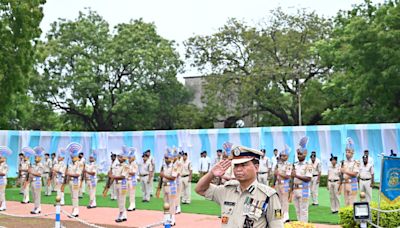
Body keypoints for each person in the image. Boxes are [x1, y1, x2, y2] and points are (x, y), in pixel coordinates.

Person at [195, 144, 284, 227]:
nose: (238, 169)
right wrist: (211, 174)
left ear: (256, 168)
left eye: (244, 165)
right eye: (236, 165)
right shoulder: (227, 190)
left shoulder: (268, 196)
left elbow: (276, 225)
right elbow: (200, 189)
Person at [292, 137, 312, 222]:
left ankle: (304, 226)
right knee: (297, 210)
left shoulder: (308, 165)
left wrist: (296, 175)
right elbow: (291, 178)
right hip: (295, 189)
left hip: (304, 189)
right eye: (298, 154)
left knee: (303, 210)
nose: (299, 156)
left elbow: (308, 178)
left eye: (300, 154)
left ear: (305, 154)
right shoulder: (295, 164)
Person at [111, 147, 130, 223]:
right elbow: (114, 174)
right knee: (119, 200)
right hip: (117, 183)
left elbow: (123, 176)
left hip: (123, 184)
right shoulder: (117, 165)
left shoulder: (126, 166)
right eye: (118, 156)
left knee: (122, 199)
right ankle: (124, 215)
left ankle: (121, 215)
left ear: (124, 158)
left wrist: (113, 177)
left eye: (120, 157)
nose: (118, 158)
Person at [274, 145, 292, 222]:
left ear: (287, 156)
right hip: (278, 183)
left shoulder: (289, 165)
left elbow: (288, 176)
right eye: (282, 156)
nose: (283, 157)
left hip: (285, 184)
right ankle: (278, 217)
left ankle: (285, 217)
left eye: (285, 156)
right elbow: (275, 174)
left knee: (285, 201)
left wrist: (279, 173)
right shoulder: (278, 164)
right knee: (277, 200)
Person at [160, 148, 178, 225]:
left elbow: (173, 177)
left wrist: (164, 175)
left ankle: (172, 219)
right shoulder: (164, 166)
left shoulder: (174, 167)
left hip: (171, 186)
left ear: (170, 158)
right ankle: (166, 219)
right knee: (166, 203)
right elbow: (161, 178)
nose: (165, 159)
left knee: (172, 203)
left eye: (167, 158)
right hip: (165, 186)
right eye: (165, 157)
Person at [341, 137, 360, 206]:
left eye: (348, 152)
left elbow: (355, 174)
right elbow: (341, 173)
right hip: (345, 183)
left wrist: (345, 171)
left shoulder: (356, 162)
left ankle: (353, 216)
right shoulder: (344, 162)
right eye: (346, 152)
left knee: (352, 202)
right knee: (346, 202)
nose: (346, 153)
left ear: (352, 153)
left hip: (352, 183)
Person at [66, 143, 84, 217]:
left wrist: (68, 174)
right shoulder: (70, 164)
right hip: (71, 181)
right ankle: (74, 210)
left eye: (72, 155)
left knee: (75, 196)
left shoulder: (79, 164)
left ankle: (76, 211)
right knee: (72, 196)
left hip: (76, 181)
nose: (71, 156)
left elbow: (77, 174)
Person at [29, 146, 45, 214]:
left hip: (37, 181)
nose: (36, 158)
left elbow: (39, 174)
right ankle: (36, 207)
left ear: (40, 158)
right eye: (35, 157)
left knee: (37, 195)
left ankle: (38, 208)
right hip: (32, 181)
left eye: (37, 157)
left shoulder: (41, 165)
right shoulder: (33, 165)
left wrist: (31, 172)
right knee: (33, 195)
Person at [0, 146, 11, 211]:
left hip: (2, 180)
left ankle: (3, 205)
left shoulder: (5, 165)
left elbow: (3, 173)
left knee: (1, 192)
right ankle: (2, 204)